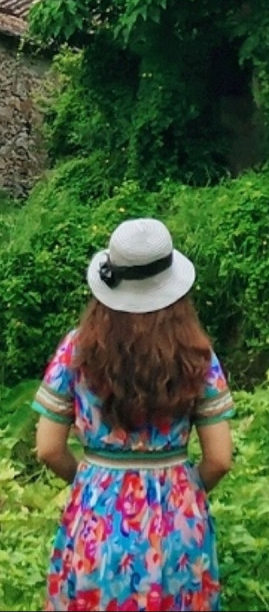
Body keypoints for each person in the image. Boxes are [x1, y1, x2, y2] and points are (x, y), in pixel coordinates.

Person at [31, 217, 236, 611]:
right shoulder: (197, 354)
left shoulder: (77, 349)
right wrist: (182, 488)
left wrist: (93, 480)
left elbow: (48, 448)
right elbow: (220, 459)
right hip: (178, 523)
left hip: (96, 519)